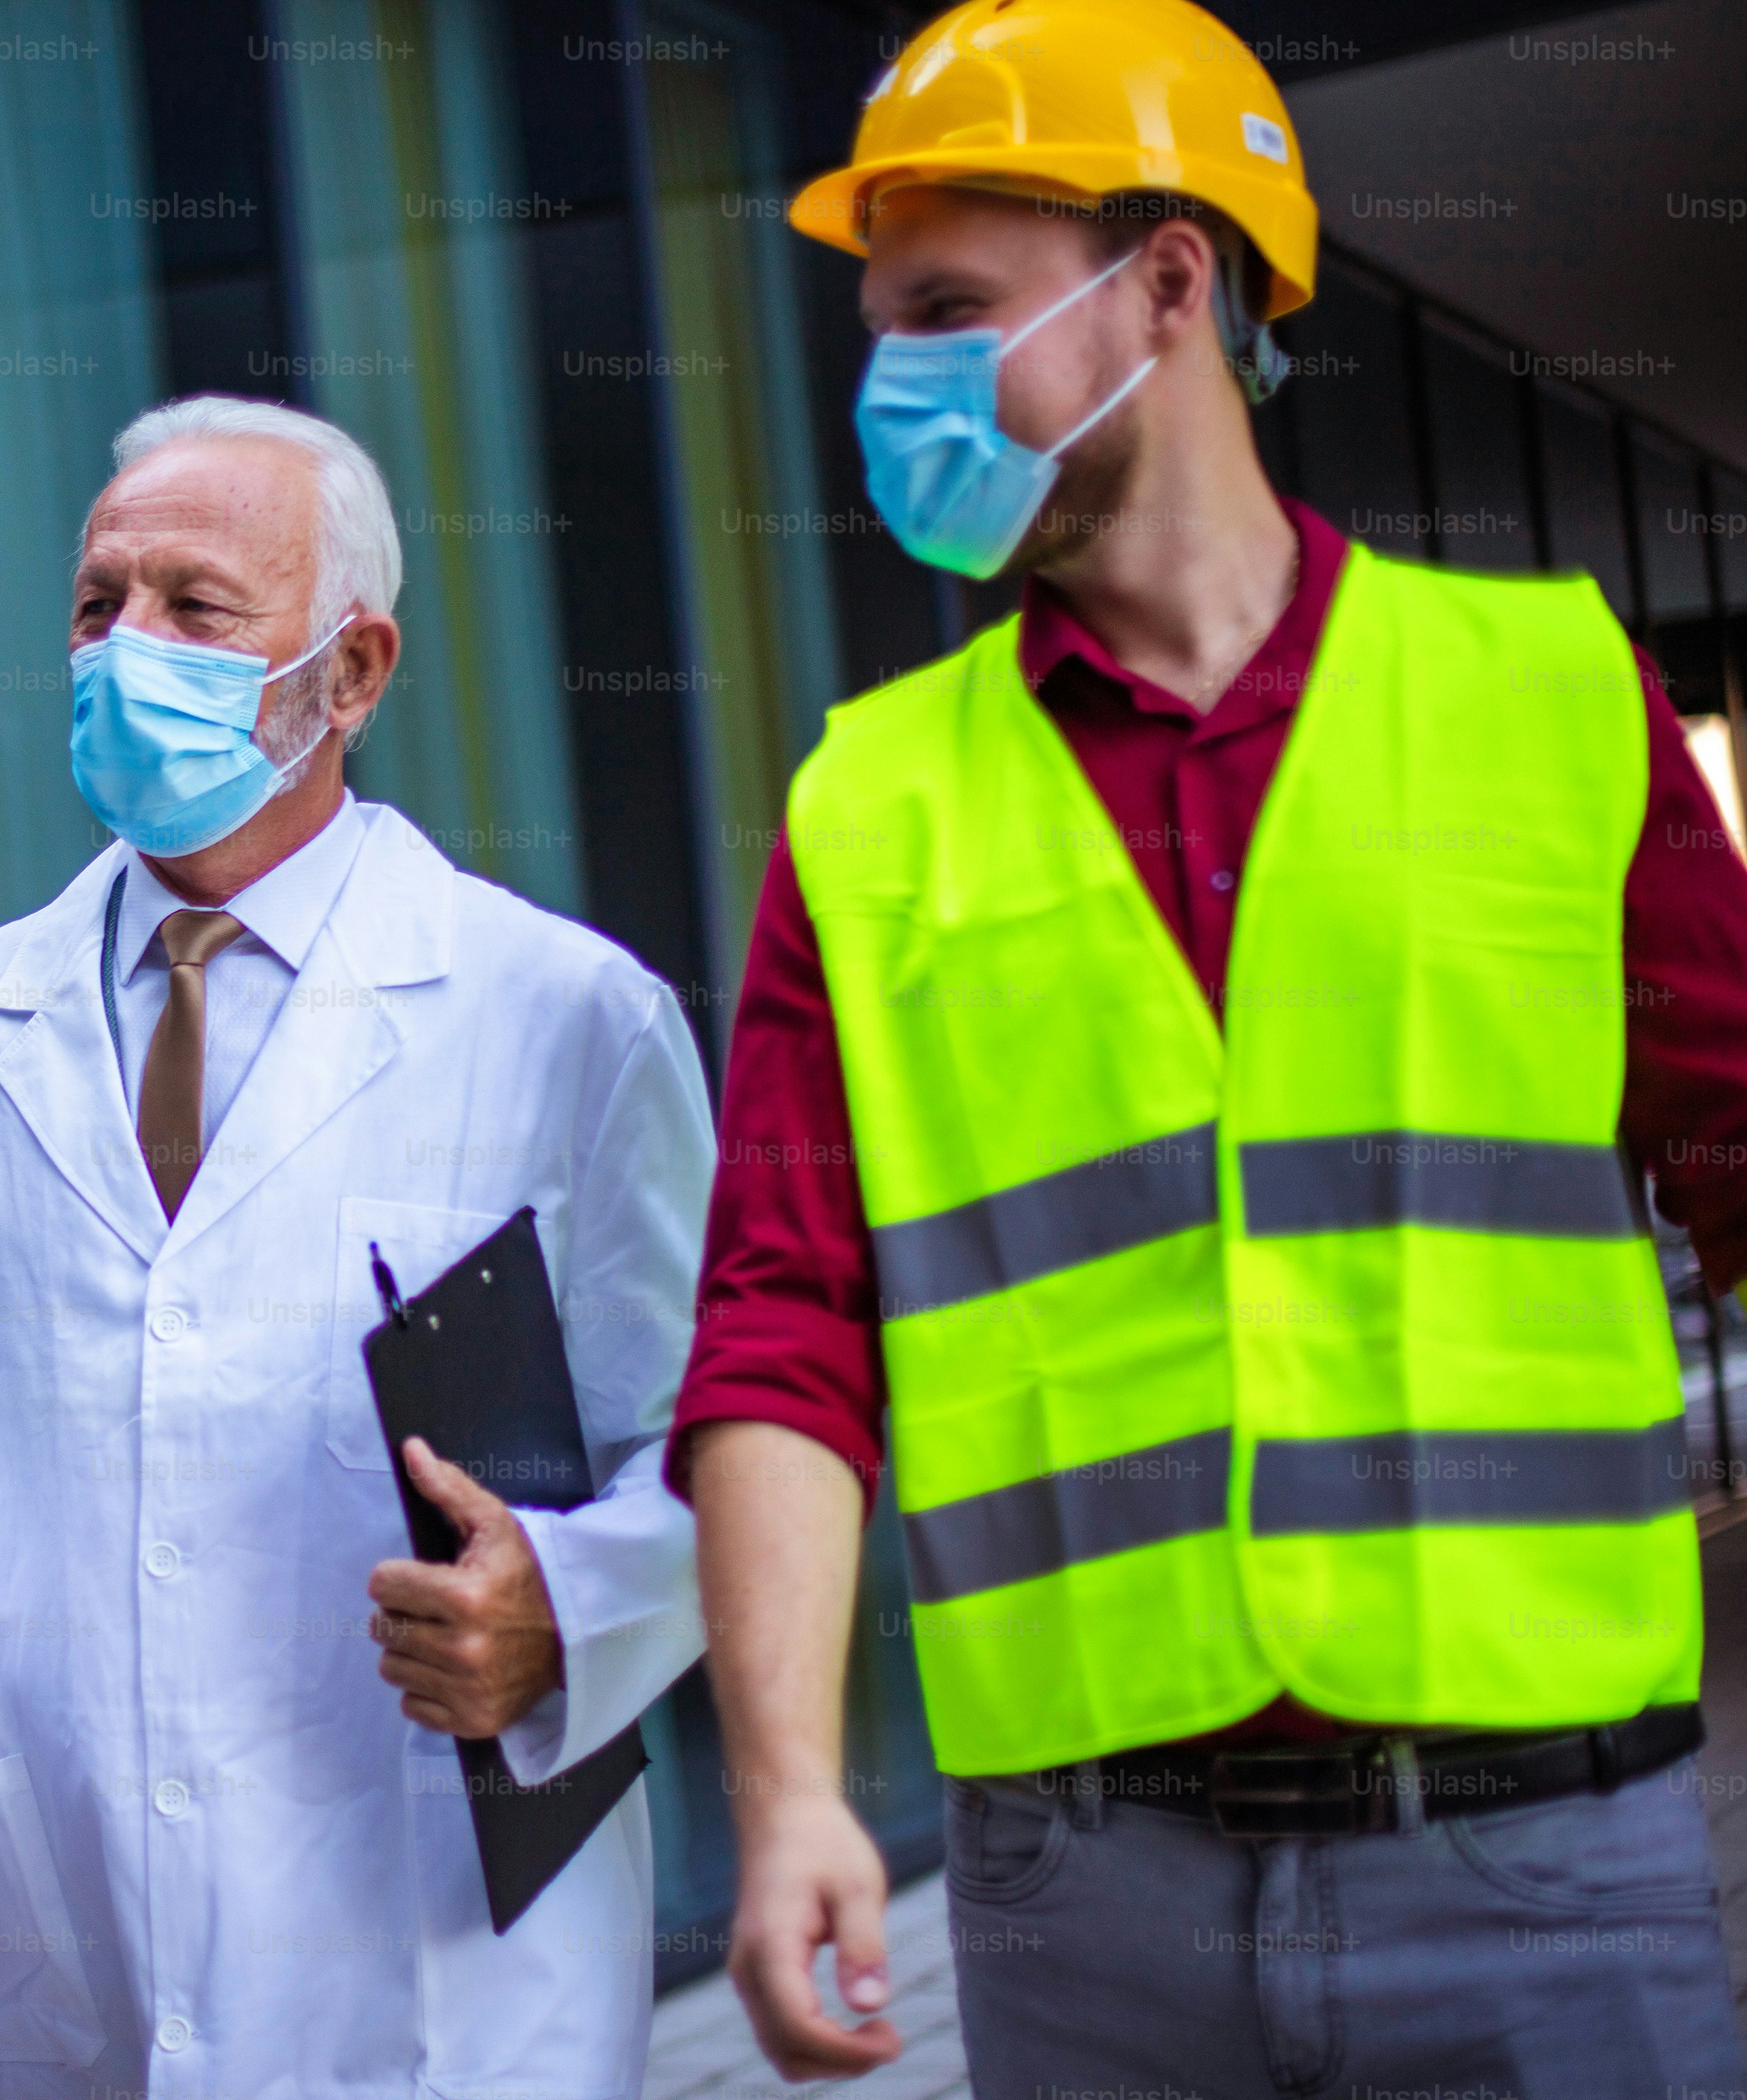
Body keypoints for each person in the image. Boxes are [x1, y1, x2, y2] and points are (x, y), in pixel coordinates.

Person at [675, 2, 1747, 2092]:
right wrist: (790, 1791)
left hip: (1541, 1860)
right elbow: (780, 1331)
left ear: (1168, 280)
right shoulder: (866, 804)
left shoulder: (1544, 695)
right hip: (1084, 1912)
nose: (893, 380)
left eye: (949, 307)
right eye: (880, 324)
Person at [0, 396, 712, 2097]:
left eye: (192, 606)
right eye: (98, 605)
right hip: (61, 1956)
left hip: (441, 1974)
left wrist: (572, 1615)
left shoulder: (561, 1016)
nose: (122, 648)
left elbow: (718, 1443)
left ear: (351, 671)